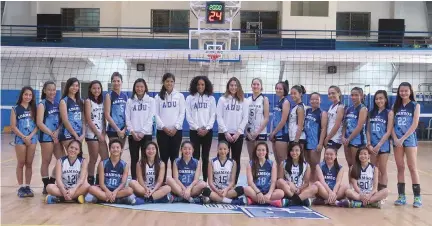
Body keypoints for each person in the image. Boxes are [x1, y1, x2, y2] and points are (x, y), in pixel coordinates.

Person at [392, 82, 422, 208]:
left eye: (406, 90)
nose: (403, 93)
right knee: (400, 167)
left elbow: (415, 124)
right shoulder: (396, 105)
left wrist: (403, 138)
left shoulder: (415, 105)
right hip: (397, 140)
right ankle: (401, 196)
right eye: (401, 91)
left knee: (412, 167)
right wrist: (395, 138)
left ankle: (417, 198)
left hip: (409, 140)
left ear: (410, 91)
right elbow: (391, 125)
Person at [217, 77, 249, 183]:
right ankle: (220, 182)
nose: (233, 87)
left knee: (236, 159)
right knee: (222, 158)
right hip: (224, 133)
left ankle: (233, 183)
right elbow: (219, 116)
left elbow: (245, 118)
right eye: (231, 85)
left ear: (238, 87)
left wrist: (239, 132)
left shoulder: (243, 100)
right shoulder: (222, 99)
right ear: (228, 86)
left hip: (237, 134)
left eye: (235, 85)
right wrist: (225, 131)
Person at [155, 73, 185, 181]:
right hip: (162, 132)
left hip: (176, 132)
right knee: (163, 158)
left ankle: (174, 183)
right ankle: (161, 182)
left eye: (171, 81)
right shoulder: (158, 97)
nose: (169, 83)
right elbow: (156, 114)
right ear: (163, 82)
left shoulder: (180, 96)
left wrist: (176, 127)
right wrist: (163, 127)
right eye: (167, 81)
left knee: (174, 158)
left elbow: (182, 113)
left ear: (174, 82)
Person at [185, 76, 216, 182]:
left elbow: (213, 115)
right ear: (195, 85)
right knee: (195, 156)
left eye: (202, 84)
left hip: (207, 131)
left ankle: (206, 181)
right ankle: (195, 180)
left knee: (205, 157)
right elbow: (188, 116)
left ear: (206, 85)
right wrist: (197, 128)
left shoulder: (211, 98)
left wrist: (207, 128)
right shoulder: (190, 98)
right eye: (198, 84)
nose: (200, 86)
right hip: (194, 131)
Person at [86, 139, 136, 205]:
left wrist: (115, 192)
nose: (115, 149)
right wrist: (107, 191)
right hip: (104, 190)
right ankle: (118, 199)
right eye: (113, 147)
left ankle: (104, 198)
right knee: (91, 188)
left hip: (118, 190)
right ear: (109, 149)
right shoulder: (102, 163)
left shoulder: (125, 165)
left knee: (130, 190)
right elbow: (101, 183)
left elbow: (123, 183)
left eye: (117, 147)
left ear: (121, 150)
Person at [11, 86, 38, 197]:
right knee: (21, 163)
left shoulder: (34, 109)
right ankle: (20, 187)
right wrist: (24, 137)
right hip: (20, 139)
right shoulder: (15, 108)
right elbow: (13, 126)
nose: (28, 97)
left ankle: (27, 186)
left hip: (32, 139)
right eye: (26, 94)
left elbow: (37, 125)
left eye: (30, 95)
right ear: (22, 95)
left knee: (29, 163)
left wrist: (30, 137)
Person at [126, 78, 155, 180]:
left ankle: (145, 180)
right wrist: (132, 132)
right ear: (134, 88)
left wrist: (142, 132)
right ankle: (134, 180)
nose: (139, 88)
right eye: (137, 86)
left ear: (145, 88)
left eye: (142, 86)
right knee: (134, 159)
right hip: (133, 135)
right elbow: (127, 118)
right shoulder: (130, 101)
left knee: (146, 159)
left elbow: (151, 118)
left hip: (146, 134)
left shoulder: (151, 101)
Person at [45, 140, 90, 204]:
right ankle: (75, 198)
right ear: (67, 148)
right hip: (63, 188)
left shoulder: (83, 161)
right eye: (71, 147)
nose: (73, 150)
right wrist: (63, 191)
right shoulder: (60, 161)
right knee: (49, 187)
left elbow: (82, 180)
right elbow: (58, 180)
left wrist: (73, 190)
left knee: (87, 186)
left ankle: (59, 199)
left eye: (76, 149)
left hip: (76, 188)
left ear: (79, 151)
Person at [36, 81, 62, 194]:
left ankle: (52, 180)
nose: (52, 92)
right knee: (46, 161)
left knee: (61, 160)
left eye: (53, 90)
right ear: (45, 91)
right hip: (46, 136)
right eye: (49, 89)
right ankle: (46, 185)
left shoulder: (58, 104)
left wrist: (57, 132)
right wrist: (51, 133)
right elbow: (39, 123)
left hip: (57, 136)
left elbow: (61, 122)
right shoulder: (42, 104)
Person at [202, 141, 246, 205]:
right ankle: (231, 201)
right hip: (215, 190)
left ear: (228, 150)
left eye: (225, 149)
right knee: (205, 190)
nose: (222, 151)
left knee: (241, 189)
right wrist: (217, 191)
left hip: (227, 190)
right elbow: (210, 182)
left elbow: (232, 182)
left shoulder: (233, 162)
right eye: (220, 149)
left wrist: (226, 190)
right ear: (217, 150)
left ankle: (216, 199)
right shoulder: (212, 162)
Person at [366, 90, 393, 193]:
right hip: (372, 146)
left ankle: (382, 193)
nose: (378, 100)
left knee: (382, 170)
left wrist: (379, 145)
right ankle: (373, 190)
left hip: (383, 146)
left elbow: (389, 131)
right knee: (373, 169)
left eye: (381, 98)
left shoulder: (389, 112)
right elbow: (368, 129)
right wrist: (369, 143)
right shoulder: (371, 112)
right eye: (376, 98)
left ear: (385, 99)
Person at [244, 142, 285, 207]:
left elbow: (273, 181)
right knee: (246, 189)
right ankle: (271, 202)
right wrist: (258, 192)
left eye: (263, 150)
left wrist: (269, 193)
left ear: (266, 152)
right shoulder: (250, 164)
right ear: (256, 151)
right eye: (259, 150)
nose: (261, 152)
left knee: (281, 193)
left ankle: (254, 201)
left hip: (268, 191)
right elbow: (250, 182)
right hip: (256, 191)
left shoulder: (272, 164)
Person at [84, 80, 108, 185]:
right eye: (94, 88)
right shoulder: (88, 101)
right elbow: (88, 120)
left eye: (98, 88)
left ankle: (99, 179)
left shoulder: (103, 101)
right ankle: (90, 180)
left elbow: (104, 119)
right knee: (93, 158)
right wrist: (98, 134)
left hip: (101, 133)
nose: (96, 90)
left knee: (105, 158)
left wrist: (103, 133)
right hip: (91, 134)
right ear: (90, 89)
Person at [304, 92, 327, 181]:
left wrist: (320, 143)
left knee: (315, 166)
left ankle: (315, 185)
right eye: (312, 99)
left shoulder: (322, 113)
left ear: (320, 100)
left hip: (315, 142)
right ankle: (308, 183)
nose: (314, 101)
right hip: (306, 141)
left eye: (317, 99)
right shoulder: (307, 111)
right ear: (309, 101)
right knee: (307, 165)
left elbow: (323, 129)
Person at [342, 87, 367, 167]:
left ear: (361, 96)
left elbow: (359, 126)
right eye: (352, 95)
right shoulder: (349, 109)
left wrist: (349, 139)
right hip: (346, 140)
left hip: (357, 140)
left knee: (356, 165)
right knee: (350, 164)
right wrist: (343, 136)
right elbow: (344, 124)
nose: (353, 97)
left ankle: (358, 179)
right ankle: (351, 180)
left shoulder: (363, 109)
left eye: (356, 95)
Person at [245, 78, 270, 160]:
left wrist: (257, 132)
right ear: (251, 86)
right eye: (254, 84)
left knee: (262, 159)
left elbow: (266, 118)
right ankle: (252, 173)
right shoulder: (247, 100)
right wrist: (247, 132)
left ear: (261, 86)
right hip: (250, 134)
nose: (255, 86)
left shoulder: (264, 99)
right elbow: (244, 118)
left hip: (260, 133)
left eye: (258, 84)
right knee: (252, 158)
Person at [59, 77, 85, 149]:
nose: (75, 87)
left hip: (79, 133)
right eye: (72, 85)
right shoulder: (64, 101)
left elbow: (83, 119)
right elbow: (65, 121)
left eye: (77, 86)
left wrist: (83, 133)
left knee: (78, 157)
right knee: (72, 156)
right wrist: (75, 135)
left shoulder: (81, 101)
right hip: (68, 133)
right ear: (68, 86)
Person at [269, 80, 290, 166]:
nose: (278, 90)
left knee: (282, 161)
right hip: (275, 134)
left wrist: (273, 133)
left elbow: (283, 120)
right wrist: (271, 132)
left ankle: (284, 179)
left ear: (284, 90)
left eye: (280, 89)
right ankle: (278, 178)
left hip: (282, 134)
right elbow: (274, 119)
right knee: (277, 161)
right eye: (276, 88)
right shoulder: (278, 102)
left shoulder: (285, 102)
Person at [105, 72, 128, 145]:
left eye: (118, 81)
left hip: (123, 130)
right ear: (111, 82)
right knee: (114, 152)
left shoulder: (125, 96)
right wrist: (117, 130)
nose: (116, 83)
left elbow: (128, 114)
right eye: (114, 81)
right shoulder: (109, 96)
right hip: (113, 130)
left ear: (122, 82)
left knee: (120, 152)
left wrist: (124, 129)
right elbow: (107, 115)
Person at [324, 85, 344, 151]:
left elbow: (337, 125)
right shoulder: (331, 106)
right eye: (329, 94)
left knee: (329, 158)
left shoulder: (340, 107)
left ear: (339, 93)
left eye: (333, 93)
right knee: (330, 158)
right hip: (330, 136)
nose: (331, 95)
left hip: (335, 138)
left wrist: (327, 138)